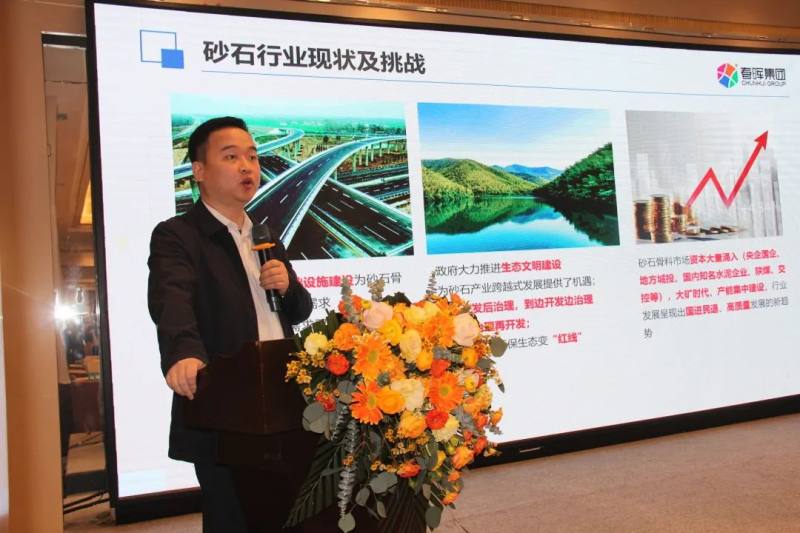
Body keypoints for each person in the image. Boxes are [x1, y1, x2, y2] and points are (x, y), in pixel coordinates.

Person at [147, 116, 313, 532]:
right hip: (225, 410)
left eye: (253, 157)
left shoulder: (266, 236)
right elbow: (172, 300)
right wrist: (184, 354)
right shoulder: (179, 235)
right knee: (233, 520)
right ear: (199, 171)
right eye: (231, 157)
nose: (247, 166)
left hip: (285, 404)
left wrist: (288, 286)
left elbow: (299, 310)